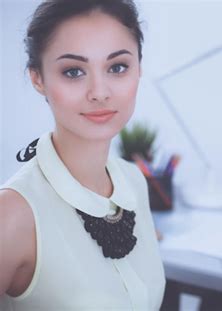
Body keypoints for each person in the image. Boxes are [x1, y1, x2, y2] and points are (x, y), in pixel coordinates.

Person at [0, 0, 166, 310]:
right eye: (74, 71)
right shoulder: (12, 215)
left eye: (117, 67)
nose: (99, 91)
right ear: (38, 78)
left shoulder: (133, 181)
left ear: (138, 68)